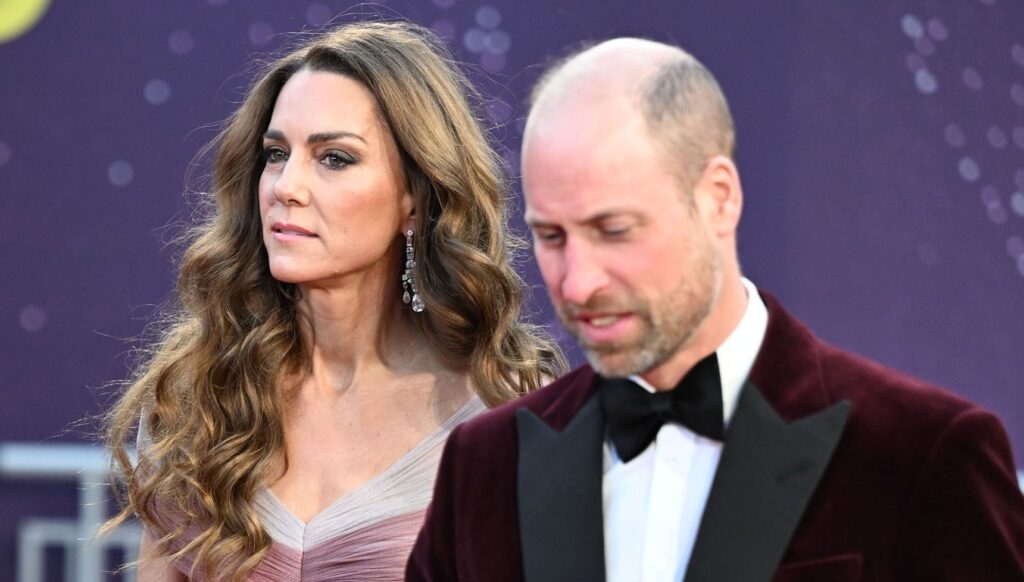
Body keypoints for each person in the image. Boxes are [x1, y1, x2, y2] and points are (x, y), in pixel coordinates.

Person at [406, 38, 1024, 581]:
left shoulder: (921, 455)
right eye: (553, 237)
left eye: (614, 230)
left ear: (719, 198)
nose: (579, 281)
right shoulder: (485, 466)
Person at [103, 21, 564, 581]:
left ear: (414, 200)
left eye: (334, 158)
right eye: (276, 154)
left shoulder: (504, 408)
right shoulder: (199, 396)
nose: (285, 186)